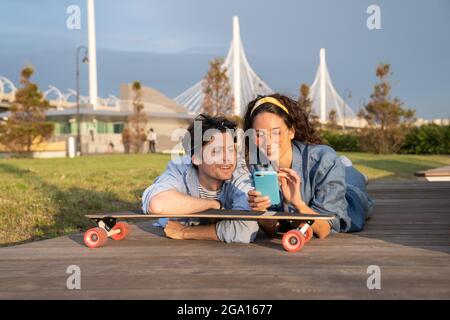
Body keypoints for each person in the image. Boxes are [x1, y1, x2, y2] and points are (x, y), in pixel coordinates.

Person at [243, 94, 373, 239]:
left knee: (354, 182)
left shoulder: (324, 159)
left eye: (276, 133)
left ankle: (352, 170)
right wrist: (261, 213)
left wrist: (299, 204)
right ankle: (345, 166)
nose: (267, 141)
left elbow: (322, 230)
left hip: (349, 199)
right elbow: (274, 230)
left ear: (291, 131)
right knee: (344, 171)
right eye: (259, 134)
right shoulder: (258, 166)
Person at [141, 114, 259, 243]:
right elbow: (157, 204)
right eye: (217, 151)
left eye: (231, 150)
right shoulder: (180, 168)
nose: (228, 158)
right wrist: (214, 205)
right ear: (196, 158)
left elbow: (247, 229)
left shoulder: (239, 172)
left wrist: (185, 232)